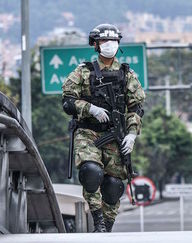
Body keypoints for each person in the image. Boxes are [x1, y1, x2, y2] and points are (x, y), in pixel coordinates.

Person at [62, 23, 145, 232]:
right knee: (91, 172)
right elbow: (68, 101)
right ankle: (98, 220)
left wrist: (132, 134)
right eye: (104, 41)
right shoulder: (83, 72)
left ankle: (107, 226)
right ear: (96, 45)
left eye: (114, 41)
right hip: (88, 132)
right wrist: (89, 108)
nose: (110, 45)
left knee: (114, 186)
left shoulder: (127, 75)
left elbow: (136, 108)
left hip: (115, 135)